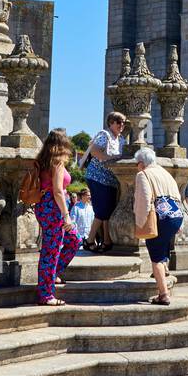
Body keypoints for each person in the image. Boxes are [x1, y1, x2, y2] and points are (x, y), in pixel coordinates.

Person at [33, 130, 80, 305]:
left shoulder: (43, 160)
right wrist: (66, 215)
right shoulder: (57, 162)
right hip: (54, 208)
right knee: (50, 252)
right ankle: (46, 295)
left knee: (73, 239)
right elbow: (58, 191)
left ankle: (51, 275)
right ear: (63, 145)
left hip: (44, 206)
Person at [133, 147, 183, 304]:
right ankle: (164, 273)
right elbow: (177, 196)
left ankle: (163, 294)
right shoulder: (165, 173)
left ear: (141, 163)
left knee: (156, 255)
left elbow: (144, 199)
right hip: (176, 216)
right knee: (163, 249)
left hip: (160, 218)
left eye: (137, 164)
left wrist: (140, 222)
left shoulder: (143, 174)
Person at [82, 112, 125, 253]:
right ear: (111, 123)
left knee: (108, 210)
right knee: (102, 211)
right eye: (118, 122)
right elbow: (94, 151)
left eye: (123, 122)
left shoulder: (121, 139)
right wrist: (109, 158)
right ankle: (89, 241)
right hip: (97, 177)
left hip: (111, 180)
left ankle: (107, 241)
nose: (121, 125)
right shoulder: (104, 135)